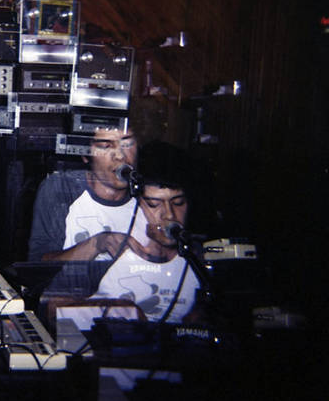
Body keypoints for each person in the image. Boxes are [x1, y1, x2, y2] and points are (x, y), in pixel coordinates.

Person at [62, 141, 202, 327]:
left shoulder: (198, 260)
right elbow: (55, 312)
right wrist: (115, 310)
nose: (169, 215)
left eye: (178, 203)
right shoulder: (114, 253)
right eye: (153, 204)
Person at [28, 123, 148, 263]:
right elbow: (39, 265)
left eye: (127, 144)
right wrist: (97, 244)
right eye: (105, 146)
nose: (120, 156)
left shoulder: (150, 197)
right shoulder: (62, 188)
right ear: (85, 155)